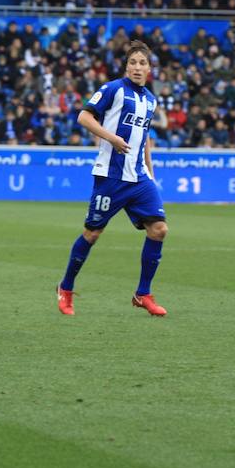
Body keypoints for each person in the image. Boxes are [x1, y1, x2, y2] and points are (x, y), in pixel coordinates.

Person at [56, 40, 169, 317]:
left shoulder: (150, 100)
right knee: (93, 233)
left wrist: (151, 175)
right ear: (126, 66)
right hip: (110, 176)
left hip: (139, 178)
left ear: (149, 68)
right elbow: (84, 117)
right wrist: (112, 138)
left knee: (159, 230)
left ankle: (143, 294)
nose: (138, 67)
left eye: (143, 63)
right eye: (133, 62)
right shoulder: (112, 89)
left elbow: (145, 139)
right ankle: (66, 288)